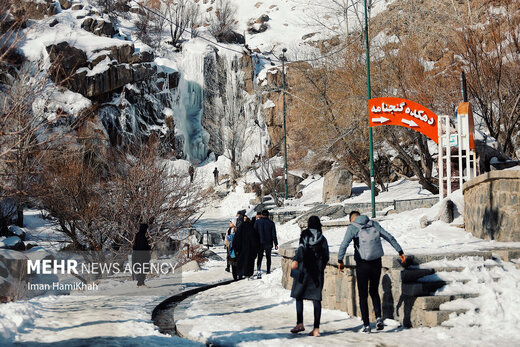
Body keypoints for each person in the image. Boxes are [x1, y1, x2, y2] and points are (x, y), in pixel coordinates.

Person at [337, 211, 407, 333]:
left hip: (362, 264)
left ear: (351, 219)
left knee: (363, 295)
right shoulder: (373, 224)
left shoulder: (353, 227)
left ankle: (367, 325)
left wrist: (340, 260)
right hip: (376, 262)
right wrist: (400, 251)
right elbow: (389, 237)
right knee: (374, 291)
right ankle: (379, 318)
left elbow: (344, 244)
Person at [290, 216, 329, 337]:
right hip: (317, 273)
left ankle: (299, 323)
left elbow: (301, 249)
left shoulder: (305, 235)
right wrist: (320, 267)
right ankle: (316, 329)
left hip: (304, 270)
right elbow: (326, 256)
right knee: (316, 299)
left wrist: (296, 260)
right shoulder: (323, 239)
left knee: (299, 296)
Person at [232, 210, 258, 279]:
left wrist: (236, 248)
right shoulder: (251, 228)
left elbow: (236, 239)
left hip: (241, 249)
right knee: (249, 262)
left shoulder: (240, 228)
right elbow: (254, 240)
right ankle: (248, 274)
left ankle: (240, 273)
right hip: (250, 249)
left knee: (241, 261)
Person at [254, 210, 278, 278]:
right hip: (268, 242)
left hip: (259, 243)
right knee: (268, 257)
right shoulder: (271, 223)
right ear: (268, 215)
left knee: (260, 257)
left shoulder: (257, 222)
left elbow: (254, 233)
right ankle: (268, 271)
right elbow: (274, 234)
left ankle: (258, 270)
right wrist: (276, 243)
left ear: (261, 215)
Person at [132, 223, 152, 287]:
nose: (146, 230)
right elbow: (143, 246)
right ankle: (140, 282)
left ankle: (140, 282)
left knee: (142, 269)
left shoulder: (138, 235)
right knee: (144, 268)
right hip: (142, 255)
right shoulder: (141, 236)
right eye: (146, 229)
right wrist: (148, 247)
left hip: (138, 255)